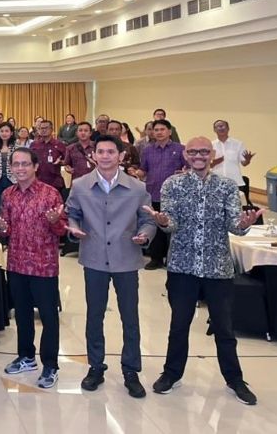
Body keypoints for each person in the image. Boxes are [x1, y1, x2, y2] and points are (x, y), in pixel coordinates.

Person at [146, 136, 262, 405]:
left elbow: (234, 225)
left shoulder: (227, 186)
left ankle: (234, 379)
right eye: (193, 151)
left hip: (218, 268)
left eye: (203, 151)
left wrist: (244, 224)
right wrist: (163, 222)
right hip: (182, 267)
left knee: (224, 328)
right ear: (185, 155)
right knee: (179, 325)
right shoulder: (172, 184)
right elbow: (171, 223)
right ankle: (171, 374)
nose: (198, 156)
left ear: (212, 155)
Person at [65, 135, 156, 398]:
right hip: (94, 258)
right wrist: (74, 228)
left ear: (121, 156)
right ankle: (96, 366)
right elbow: (73, 214)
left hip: (126, 258)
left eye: (111, 152)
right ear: (93, 155)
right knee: (95, 316)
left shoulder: (137, 187)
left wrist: (145, 235)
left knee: (130, 317)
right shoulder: (80, 185)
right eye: (100, 151)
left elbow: (147, 220)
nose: (105, 156)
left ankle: (131, 370)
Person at [0, 148, 67, 389]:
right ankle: (26, 356)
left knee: (48, 316)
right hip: (17, 263)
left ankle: (51, 365)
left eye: (25, 164)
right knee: (22, 314)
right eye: (16, 164)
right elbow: (7, 230)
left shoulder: (50, 194)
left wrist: (55, 222)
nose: (20, 168)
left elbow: (62, 229)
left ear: (35, 166)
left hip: (44, 265)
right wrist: (2, 228)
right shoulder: (8, 194)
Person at [134, 119, 186, 270]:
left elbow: (188, 168)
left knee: (173, 227)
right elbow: (143, 170)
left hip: (174, 195)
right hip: (153, 193)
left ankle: (172, 258)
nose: (159, 132)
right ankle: (155, 258)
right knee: (155, 227)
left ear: (169, 132)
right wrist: (135, 172)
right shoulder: (147, 150)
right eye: (156, 130)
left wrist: (184, 173)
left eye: (162, 129)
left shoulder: (180, 149)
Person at [211, 119, 255, 200]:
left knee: (235, 205)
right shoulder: (211, 145)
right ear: (214, 130)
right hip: (216, 182)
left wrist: (247, 160)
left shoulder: (238, 144)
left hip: (235, 181)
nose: (221, 128)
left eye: (223, 126)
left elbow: (244, 163)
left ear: (228, 128)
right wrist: (215, 162)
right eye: (218, 126)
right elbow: (208, 166)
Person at [29, 120, 67, 196]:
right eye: (41, 128)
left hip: (55, 182)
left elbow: (67, 161)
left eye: (46, 128)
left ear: (51, 129)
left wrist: (61, 162)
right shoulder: (34, 145)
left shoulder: (59, 144)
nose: (43, 130)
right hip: (37, 181)